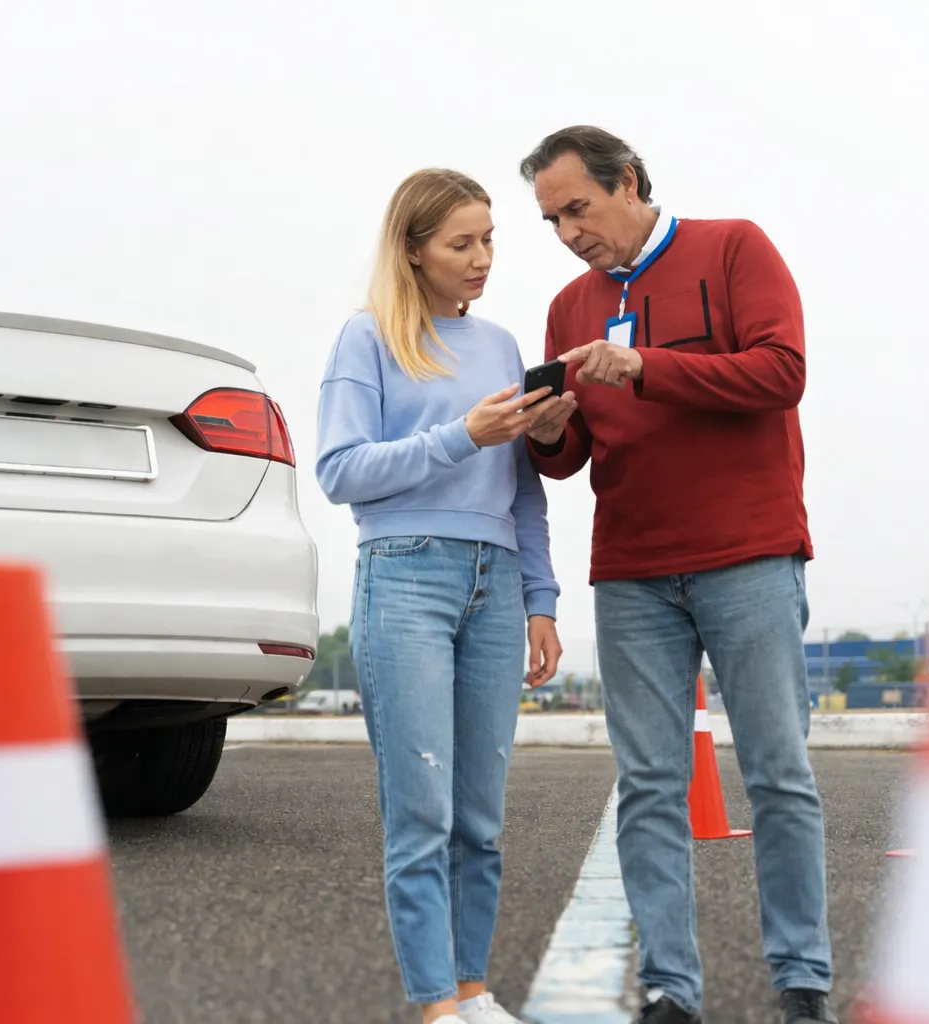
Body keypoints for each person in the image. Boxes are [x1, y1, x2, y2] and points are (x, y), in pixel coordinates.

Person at [515, 126, 837, 1024]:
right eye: (551, 220)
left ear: (630, 183)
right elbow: (572, 452)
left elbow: (782, 373)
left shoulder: (733, 246)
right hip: (632, 570)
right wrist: (548, 434)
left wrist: (648, 366)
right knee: (650, 785)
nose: (570, 232)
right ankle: (668, 990)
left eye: (578, 208)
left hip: (749, 555)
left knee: (777, 774)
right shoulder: (568, 306)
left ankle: (803, 983)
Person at [315, 168, 568, 1024]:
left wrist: (542, 598)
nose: (482, 258)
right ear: (413, 250)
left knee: (480, 819)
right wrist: (462, 435)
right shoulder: (368, 338)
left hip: (497, 585)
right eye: (461, 243)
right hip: (406, 576)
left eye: (490, 238)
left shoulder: (500, 345)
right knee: (420, 810)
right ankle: (433, 1004)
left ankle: (471, 987)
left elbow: (524, 485)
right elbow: (342, 472)